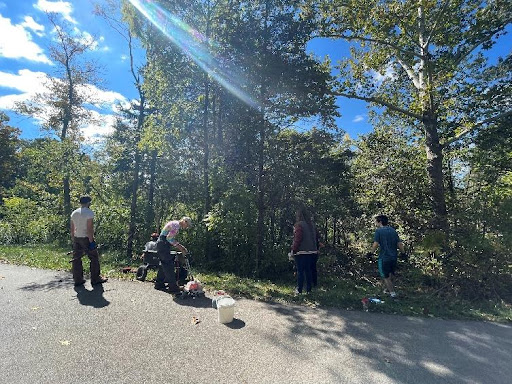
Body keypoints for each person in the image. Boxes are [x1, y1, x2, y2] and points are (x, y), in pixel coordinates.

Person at [70, 195, 107, 287]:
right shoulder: (89, 213)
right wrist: (91, 241)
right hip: (86, 238)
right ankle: (95, 278)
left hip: (77, 238)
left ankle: (78, 279)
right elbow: (89, 228)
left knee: (77, 259)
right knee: (94, 258)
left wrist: (73, 238)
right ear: (88, 202)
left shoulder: (74, 213)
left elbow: (72, 228)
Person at [367, 214, 406, 298]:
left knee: (385, 276)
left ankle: (393, 294)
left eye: (376, 221)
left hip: (384, 257)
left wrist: (370, 253)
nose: (375, 223)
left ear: (380, 222)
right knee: (390, 275)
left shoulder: (379, 231)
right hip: (393, 257)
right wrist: (403, 253)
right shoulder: (393, 230)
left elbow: (375, 244)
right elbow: (399, 243)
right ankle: (385, 290)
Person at [155, 216, 192, 292]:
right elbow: (169, 238)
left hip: (161, 243)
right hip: (163, 244)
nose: (186, 227)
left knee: (163, 264)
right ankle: (173, 287)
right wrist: (180, 247)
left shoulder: (174, 223)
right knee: (169, 266)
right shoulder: (176, 226)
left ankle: (159, 284)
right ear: (184, 222)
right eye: (187, 225)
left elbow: (169, 238)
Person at [290, 208, 319, 295]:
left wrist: (293, 250)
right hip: (313, 251)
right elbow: (316, 238)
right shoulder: (312, 225)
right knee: (308, 271)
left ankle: (299, 290)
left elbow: (298, 238)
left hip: (301, 251)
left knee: (300, 271)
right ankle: (309, 290)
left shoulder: (299, 225)